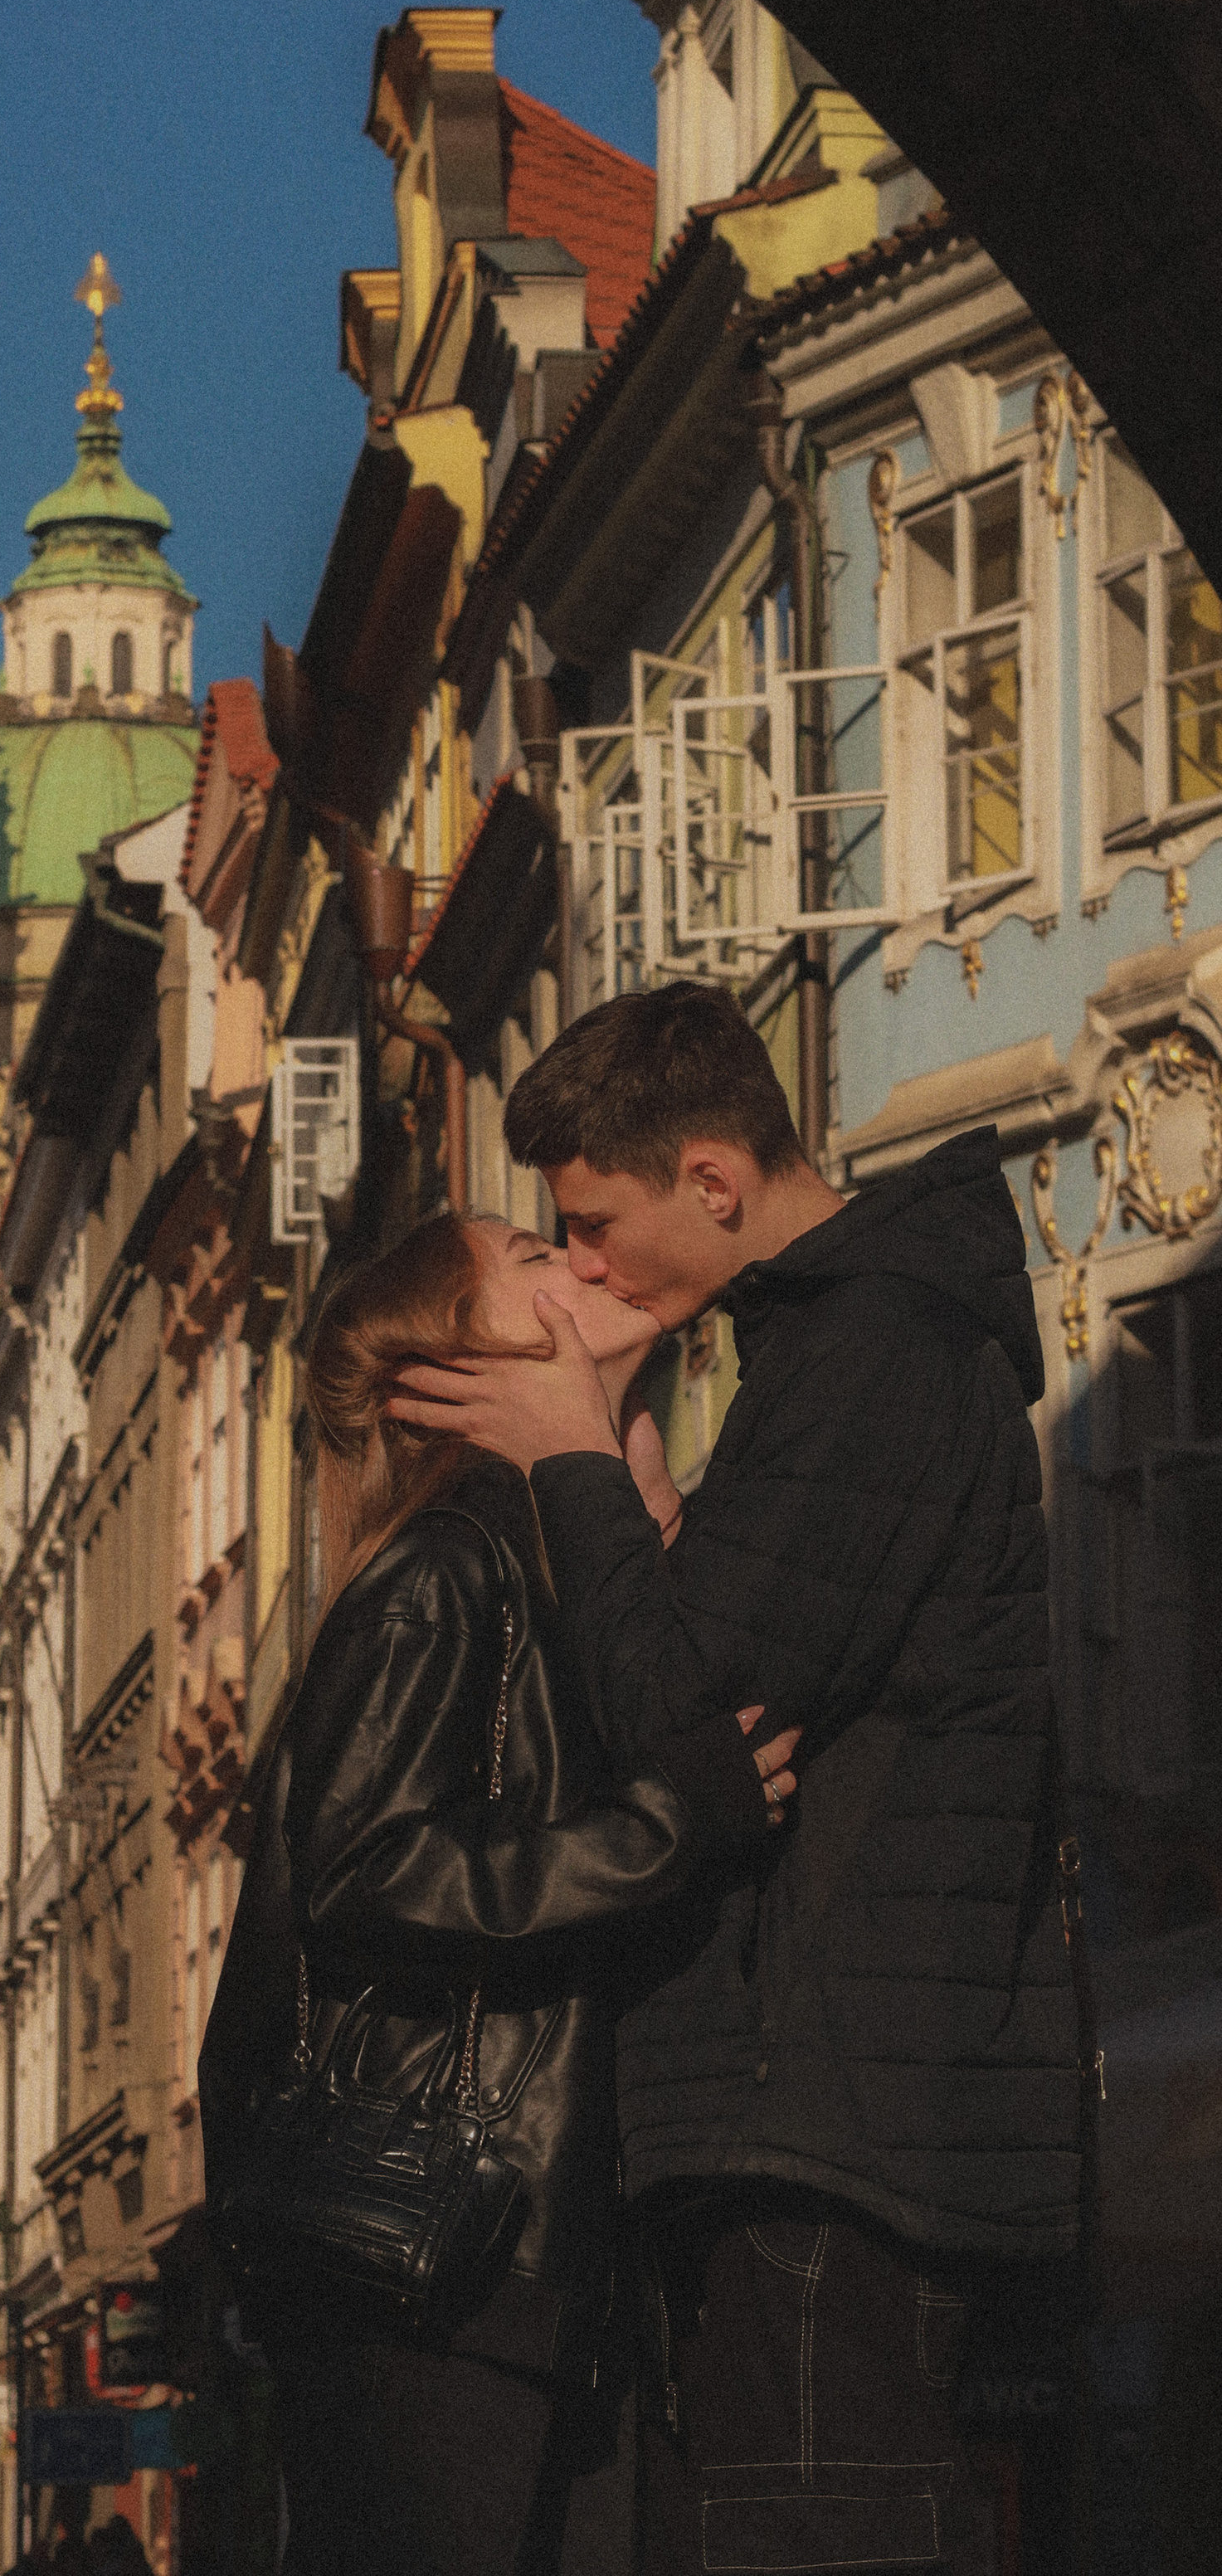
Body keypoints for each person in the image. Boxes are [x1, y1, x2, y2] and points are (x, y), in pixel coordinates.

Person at [389, 981, 1083, 2574]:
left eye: (592, 1223)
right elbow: (713, 1644)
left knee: (821, 2534)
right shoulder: (819, 1357)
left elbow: (677, 1704)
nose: (578, 1266)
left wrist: (566, 1447)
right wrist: (619, 1436)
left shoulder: (873, 1356)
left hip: (839, 2119)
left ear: (713, 1181)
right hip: (810, 2107)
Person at [201, 1211, 800, 2576]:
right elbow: (366, 1870)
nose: (586, 1262)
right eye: (537, 1255)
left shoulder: (545, 1570)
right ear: (463, 1370)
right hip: (438, 2265)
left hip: (533, 2270)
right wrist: (670, 1826)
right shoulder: (442, 1577)